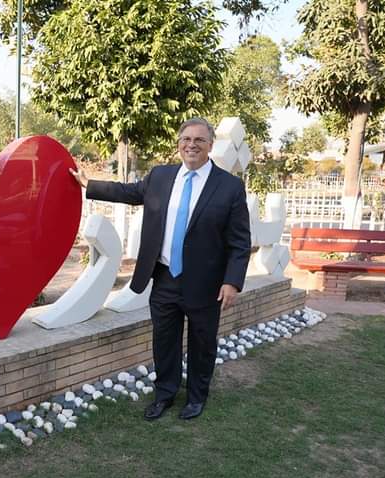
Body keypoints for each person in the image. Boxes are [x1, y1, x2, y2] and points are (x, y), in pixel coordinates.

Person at [70, 118, 251, 420]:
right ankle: (165, 394)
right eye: (186, 139)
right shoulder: (161, 176)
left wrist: (232, 281)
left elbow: (240, 240)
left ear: (210, 145)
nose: (191, 145)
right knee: (164, 341)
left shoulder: (229, 186)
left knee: (202, 344)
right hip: (165, 278)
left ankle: (196, 397)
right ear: (179, 143)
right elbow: (129, 193)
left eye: (199, 140)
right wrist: (91, 185)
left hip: (206, 283)